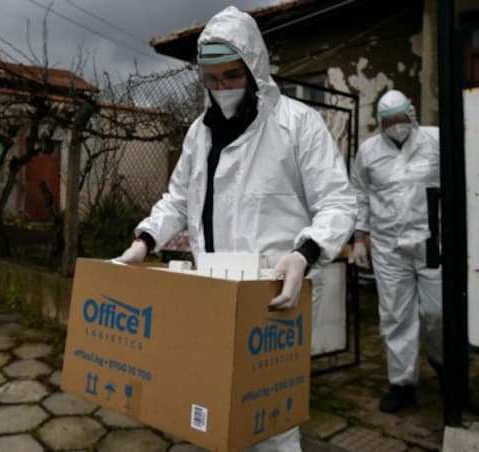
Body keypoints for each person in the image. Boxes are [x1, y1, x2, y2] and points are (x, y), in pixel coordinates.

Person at [115, 6, 356, 451]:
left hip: (275, 289)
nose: (222, 88)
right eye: (212, 79)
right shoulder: (198, 133)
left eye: (232, 76)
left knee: (271, 416)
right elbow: (178, 198)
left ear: (254, 68)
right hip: (213, 289)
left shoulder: (297, 124)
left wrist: (305, 253)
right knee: (216, 404)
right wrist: (144, 240)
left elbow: (338, 203)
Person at [350, 89, 442, 413]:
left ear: (412, 116)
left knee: (437, 313)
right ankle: (402, 384)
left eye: (401, 119)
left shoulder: (435, 141)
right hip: (389, 248)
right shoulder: (369, 151)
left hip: (433, 242)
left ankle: (442, 362)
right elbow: (360, 195)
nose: (396, 125)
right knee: (395, 316)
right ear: (380, 122)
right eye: (389, 121)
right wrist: (360, 239)